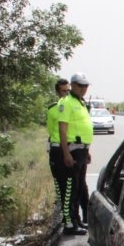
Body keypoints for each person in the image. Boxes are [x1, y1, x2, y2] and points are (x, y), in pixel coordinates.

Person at [57, 72, 93, 236]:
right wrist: (66, 153)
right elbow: (62, 129)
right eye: (80, 85)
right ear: (73, 85)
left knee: (78, 188)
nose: (83, 88)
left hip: (82, 150)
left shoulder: (80, 102)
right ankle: (69, 224)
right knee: (70, 189)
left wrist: (87, 152)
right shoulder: (67, 103)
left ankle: (77, 220)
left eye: (86, 86)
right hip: (73, 150)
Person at [46, 78, 72, 230]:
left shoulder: (73, 107)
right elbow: (51, 131)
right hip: (57, 150)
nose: (66, 93)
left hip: (69, 149)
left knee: (69, 186)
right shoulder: (52, 109)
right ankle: (65, 220)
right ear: (57, 92)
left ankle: (68, 218)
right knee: (61, 187)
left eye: (68, 90)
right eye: (64, 91)